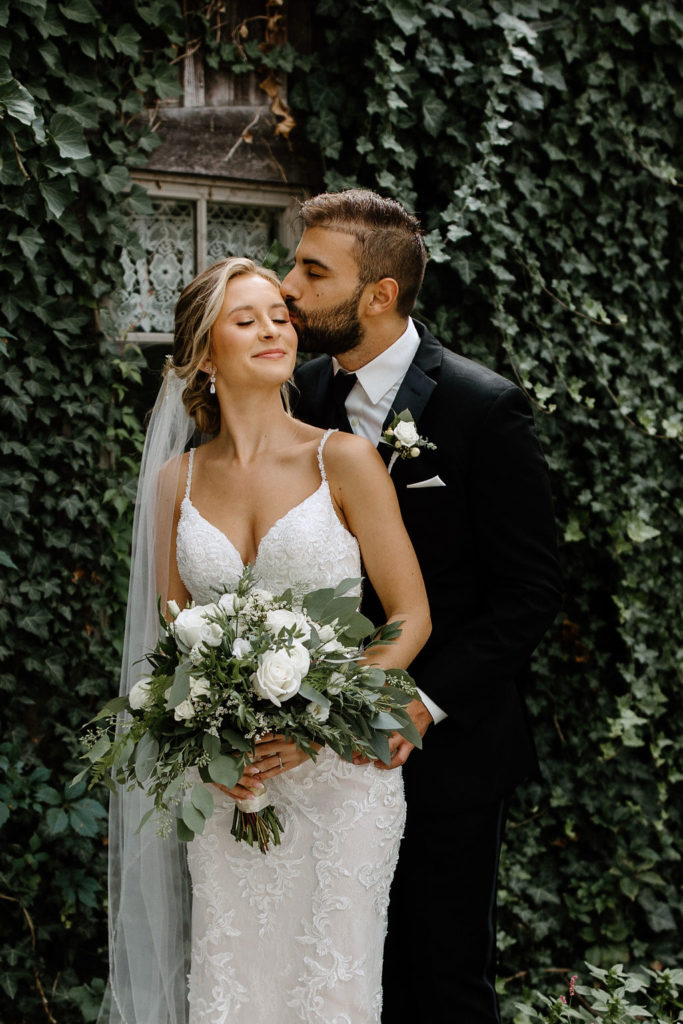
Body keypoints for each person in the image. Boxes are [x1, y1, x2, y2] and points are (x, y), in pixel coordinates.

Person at [101, 256, 431, 1024]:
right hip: (229, 785)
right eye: (244, 320)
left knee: (333, 990)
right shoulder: (174, 482)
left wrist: (320, 720)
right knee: (235, 986)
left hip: (341, 778)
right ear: (204, 353)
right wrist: (207, 746)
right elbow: (176, 641)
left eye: (279, 316)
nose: (273, 330)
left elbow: (409, 616)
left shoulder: (341, 458)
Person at [283, 189, 562, 1023]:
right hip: (310, 750)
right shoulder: (293, 396)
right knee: (329, 973)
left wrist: (423, 698)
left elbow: (531, 592)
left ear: (379, 295)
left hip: (450, 751)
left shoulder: (482, 408)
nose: (287, 287)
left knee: (436, 982)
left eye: (310, 270)